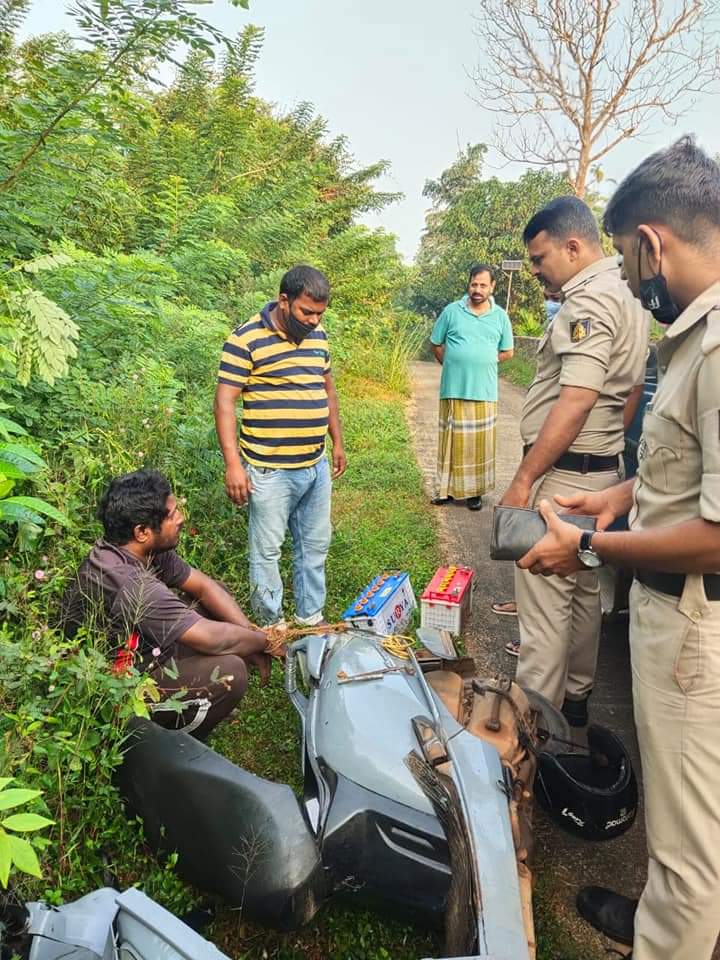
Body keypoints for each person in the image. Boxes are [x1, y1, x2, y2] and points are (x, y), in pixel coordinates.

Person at [516, 136, 720, 960]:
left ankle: (671, 937)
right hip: (678, 608)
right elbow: (688, 467)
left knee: (687, 844)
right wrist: (624, 494)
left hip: (694, 627)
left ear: (649, 243)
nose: (637, 285)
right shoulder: (690, 341)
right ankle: (671, 917)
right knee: (694, 816)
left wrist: (596, 543)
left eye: (635, 265)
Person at [500, 196, 649, 724]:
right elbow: (629, 393)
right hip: (603, 473)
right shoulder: (630, 296)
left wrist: (524, 478)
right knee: (586, 597)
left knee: (542, 616)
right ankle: (578, 707)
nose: (536, 270)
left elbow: (578, 397)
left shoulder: (586, 303)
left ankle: (529, 743)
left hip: (562, 481)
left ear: (573, 245)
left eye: (540, 259)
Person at [60, 469, 271, 741]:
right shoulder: (127, 582)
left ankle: (193, 701)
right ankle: (171, 744)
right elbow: (210, 639)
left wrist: (249, 635)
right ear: (142, 532)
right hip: (114, 686)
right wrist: (265, 642)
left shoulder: (140, 550)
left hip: (141, 647)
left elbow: (205, 588)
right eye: (171, 515)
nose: (180, 518)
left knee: (218, 595)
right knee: (231, 673)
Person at [214, 265, 346, 627]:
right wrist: (233, 465)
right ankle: (270, 629)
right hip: (269, 471)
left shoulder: (319, 336)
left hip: (315, 465)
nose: (313, 320)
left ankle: (309, 617)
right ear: (283, 301)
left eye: (320, 313)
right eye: (306, 312)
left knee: (315, 546)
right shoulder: (245, 340)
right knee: (267, 553)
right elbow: (225, 402)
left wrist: (337, 441)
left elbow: (327, 390)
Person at [429, 263, 514, 511]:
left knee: (478, 446)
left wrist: (485, 360)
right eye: (474, 284)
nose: (478, 289)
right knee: (451, 442)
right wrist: (453, 363)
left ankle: (474, 493)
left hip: (484, 391)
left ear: (492, 287)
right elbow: (436, 344)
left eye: (483, 285)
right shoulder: (451, 311)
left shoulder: (500, 316)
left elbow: (507, 351)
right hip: (453, 388)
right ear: (468, 285)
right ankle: (445, 491)